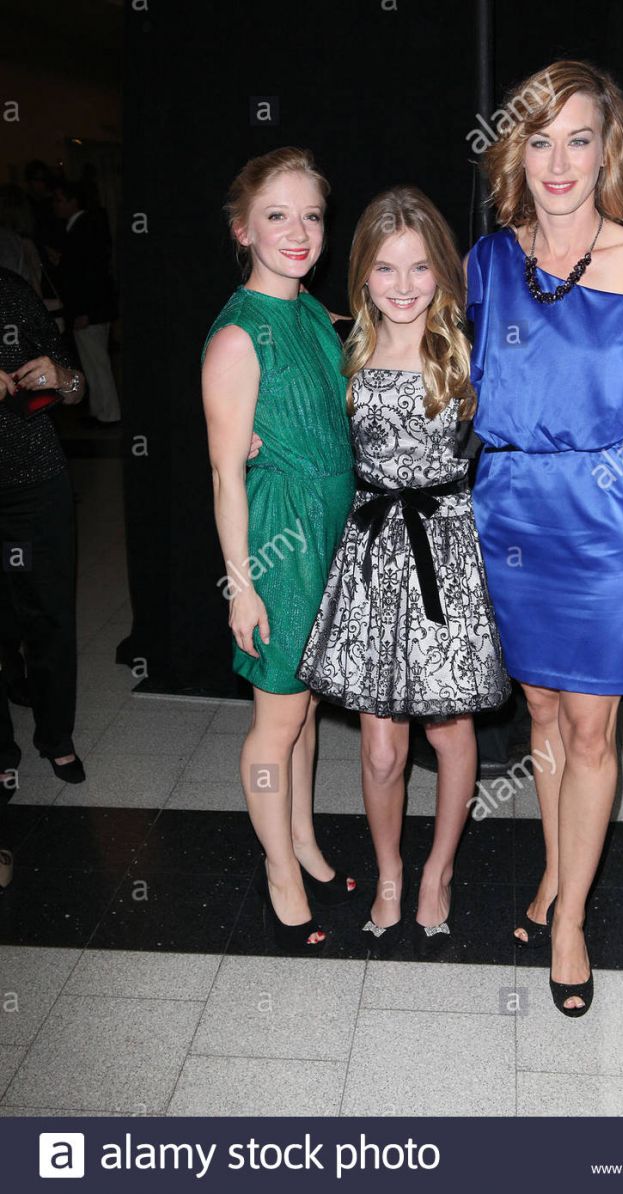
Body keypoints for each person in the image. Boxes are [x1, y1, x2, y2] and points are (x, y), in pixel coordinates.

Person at [467, 60, 623, 1014]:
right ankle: (558, 871)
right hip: (507, 513)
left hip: (604, 521)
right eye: (539, 140)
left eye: (579, 140)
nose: (558, 163)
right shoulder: (486, 263)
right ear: (516, 152)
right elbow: (428, 365)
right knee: (543, 714)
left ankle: (570, 922)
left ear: (608, 152)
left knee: (591, 725)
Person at [297, 186, 511, 951]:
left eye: (419, 267)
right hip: (370, 554)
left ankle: (438, 872)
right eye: (386, 268)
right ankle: (389, 871)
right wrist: (257, 443)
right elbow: (293, 418)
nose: (403, 284)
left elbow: (540, 415)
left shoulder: (469, 353)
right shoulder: (342, 351)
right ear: (363, 273)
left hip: (444, 555)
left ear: (442, 271)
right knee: (382, 747)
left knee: (450, 733)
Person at [201, 148, 359, 953]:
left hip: (330, 529)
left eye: (311, 216)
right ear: (243, 230)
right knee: (277, 718)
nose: (298, 232)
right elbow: (225, 475)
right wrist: (243, 585)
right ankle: (278, 872)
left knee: (307, 707)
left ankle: (302, 839)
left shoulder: (316, 317)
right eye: (276, 216)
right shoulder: (238, 337)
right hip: (280, 540)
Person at [0, 267, 87, 789]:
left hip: (37, 480)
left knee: (49, 616)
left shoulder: (12, 292)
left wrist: (61, 376)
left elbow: (77, 387)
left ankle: (56, 737)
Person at [51, 180, 120, 424]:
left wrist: (86, 313)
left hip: (90, 310)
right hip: (91, 309)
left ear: (73, 201)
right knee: (93, 363)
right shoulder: (83, 227)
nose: (56, 205)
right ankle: (101, 411)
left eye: (59, 200)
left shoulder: (84, 228)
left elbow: (89, 276)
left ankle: (109, 413)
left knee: (97, 362)